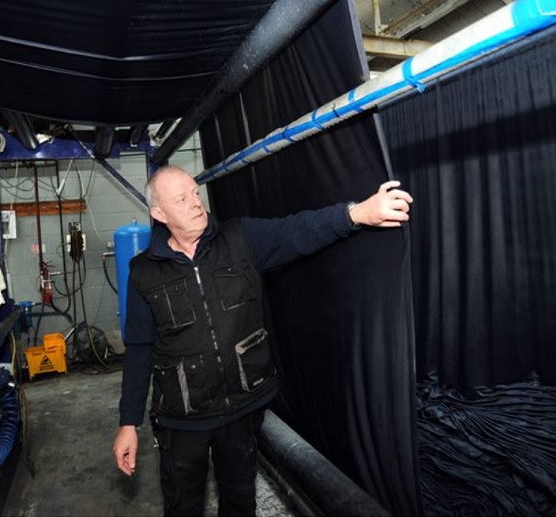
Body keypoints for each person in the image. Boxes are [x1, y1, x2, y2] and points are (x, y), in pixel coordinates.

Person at [113, 165, 413, 516]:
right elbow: (139, 350)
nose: (196, 204)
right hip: (182, 420)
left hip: (242, 409)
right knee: (182, 505)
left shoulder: (240, 238)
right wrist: (128, 423)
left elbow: (297, 230)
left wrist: (358, 213)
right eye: (182, 199)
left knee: (241, 502)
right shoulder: (143, 272)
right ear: (159, 213)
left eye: (196, 193)